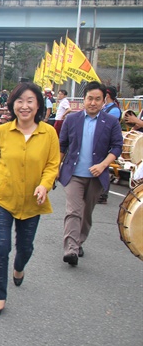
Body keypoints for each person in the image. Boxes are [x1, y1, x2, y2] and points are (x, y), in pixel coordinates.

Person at [0, 82, 60, 318]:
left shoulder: (49, 133)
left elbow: (52, 165)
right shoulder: (2, 131)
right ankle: (0, 297)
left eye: (30, 101)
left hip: (33, 202)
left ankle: (19, 268)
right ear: (13, 105)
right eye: (19, 101)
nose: (24, 106)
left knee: (25, 247)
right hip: (3, 198)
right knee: (0, 247)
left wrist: (45, 186)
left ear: (38, 106)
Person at [58, 81, 122, 266]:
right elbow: (63, 145)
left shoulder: (110, 122)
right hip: (73, 174)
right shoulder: (72, 119)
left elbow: (117, 146)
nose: (93, 102)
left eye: (97, 99)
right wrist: (56, 167)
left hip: (96, 176)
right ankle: (70, 249)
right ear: (83, 100)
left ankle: (79, 242)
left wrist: (103, 165)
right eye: (90, 98)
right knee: (73, 211)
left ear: (104, 101)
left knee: (86, 213)